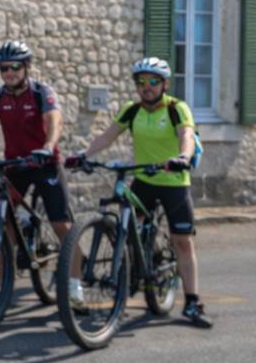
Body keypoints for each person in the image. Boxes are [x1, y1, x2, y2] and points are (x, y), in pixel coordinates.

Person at [70, 56, 212, 327]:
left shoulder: (176, 108)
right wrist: (83, 154)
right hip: (144, 179)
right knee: (131, 228)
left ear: (165, 84)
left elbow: (186, 136)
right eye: (141, 81)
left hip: (173, 181)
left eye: (153, 81)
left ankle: (193, 302)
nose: (146, 86)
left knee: (182, 240)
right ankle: (132, 274)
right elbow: (107, 135)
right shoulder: (131, 110)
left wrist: (183, 157)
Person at [0, 40, 79, 309]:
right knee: (3, 223)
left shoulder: (41, 92)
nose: (9, 72)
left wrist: (47, 146)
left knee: (61, 225)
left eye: (14, 67)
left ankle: (76, 285)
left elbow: (54, 120)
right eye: (3, 68)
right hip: (16, 164)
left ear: (26, 67)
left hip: (44, 163)